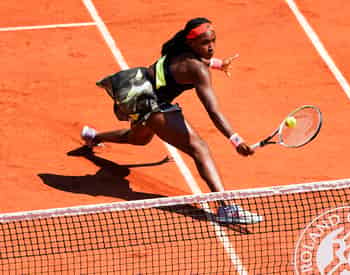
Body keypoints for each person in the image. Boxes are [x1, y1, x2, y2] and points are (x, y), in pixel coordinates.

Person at [81, 17, 262, 224]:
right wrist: (235, 140)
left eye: (213, 41)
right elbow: (213, 110)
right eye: (205, 43)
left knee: (138, 139)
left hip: (135, 86)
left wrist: (219, 64)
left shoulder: (179, 50)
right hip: (151, 101)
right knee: (199, 148)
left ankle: (93, 136)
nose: (211, 47)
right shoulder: (197, 70)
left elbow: (202, 60)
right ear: (191, 43)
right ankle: (226, 207)